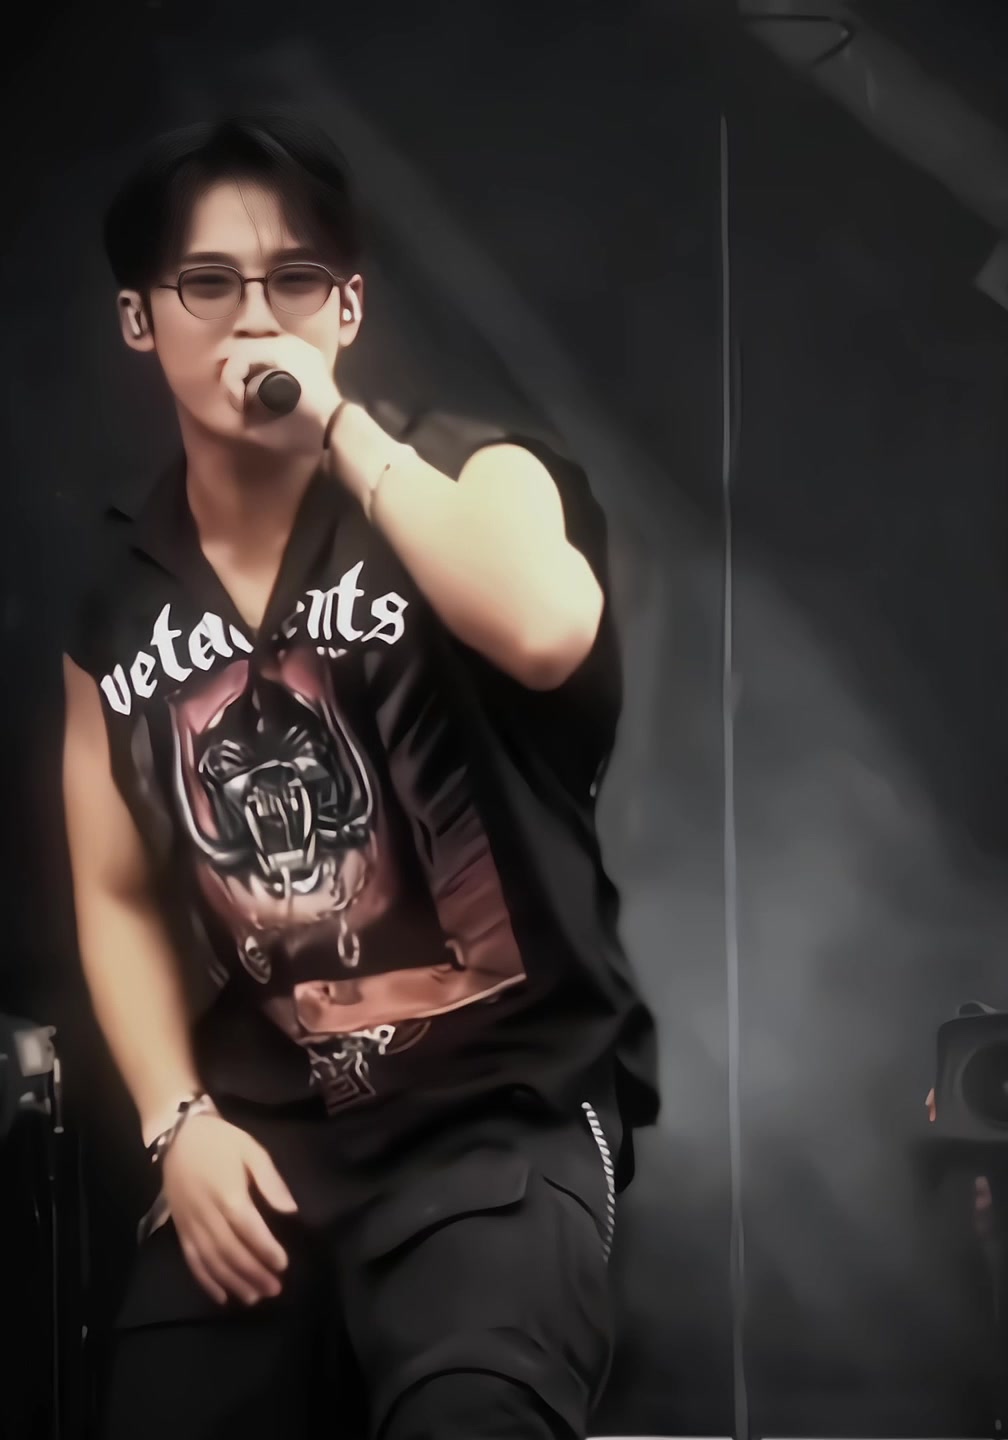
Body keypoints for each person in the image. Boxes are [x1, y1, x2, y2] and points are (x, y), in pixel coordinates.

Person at [62, 111, 659, 1440]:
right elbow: (115, 888)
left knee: (472, 1413)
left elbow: (544, 628)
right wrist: (175, 1122)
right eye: (207, 282)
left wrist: (336, 426)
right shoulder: (120, 604)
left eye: (293, 279)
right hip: (265, 1137)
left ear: (348, 308)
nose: (251, 316)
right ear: (139, 320)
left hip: (498, 1112)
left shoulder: (479, 474)